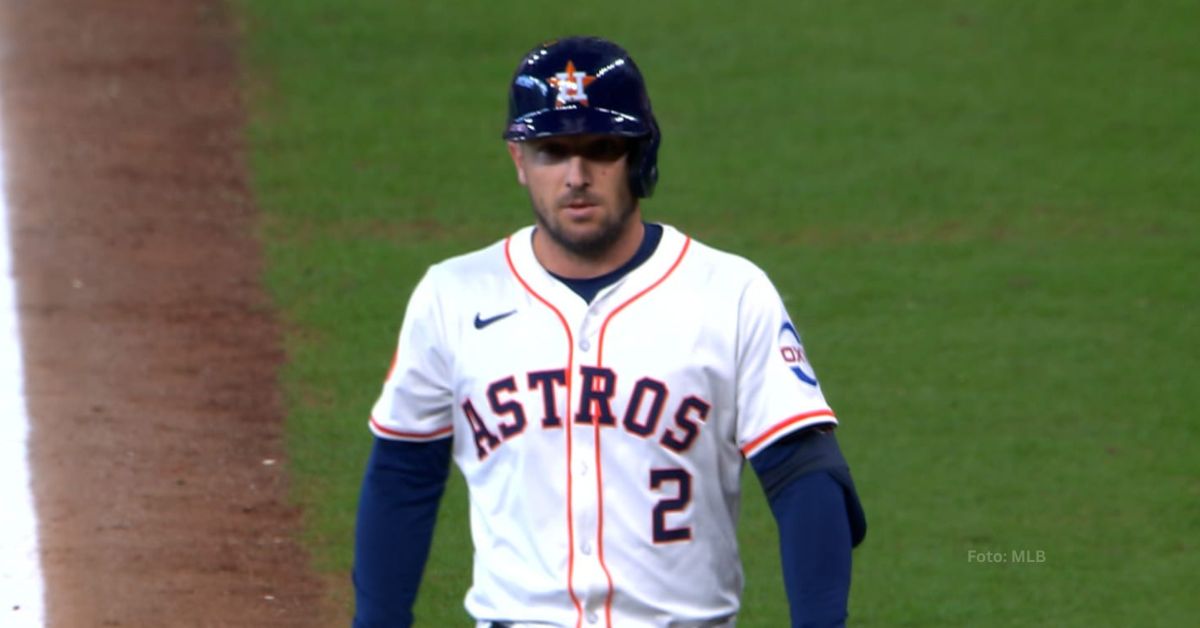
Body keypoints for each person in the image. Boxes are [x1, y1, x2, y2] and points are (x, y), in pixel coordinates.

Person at [352, 36, 866, 628]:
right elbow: (402, 475)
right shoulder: (452, 296)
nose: (576, 175)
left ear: (639, 157)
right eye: (552, 150)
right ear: (519, 160)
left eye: (601, 148)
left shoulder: (730, 293)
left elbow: (806, 474)